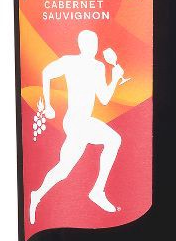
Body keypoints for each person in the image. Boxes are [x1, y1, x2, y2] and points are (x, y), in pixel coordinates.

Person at [29, 30, 125, 224]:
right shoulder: (70, 62)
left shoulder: (98, 66)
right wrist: (48, 105)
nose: (93, 46)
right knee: (113, 140)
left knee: (64, 169)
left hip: (84, 121)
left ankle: (36, 194)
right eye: (89, 43)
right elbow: (46, 72)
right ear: (81, 45)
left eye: (95, 42)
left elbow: (104, 99)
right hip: (74, 121)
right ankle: (97, 191)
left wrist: (115, 79)